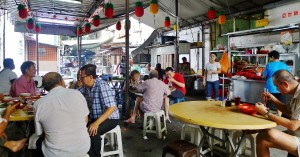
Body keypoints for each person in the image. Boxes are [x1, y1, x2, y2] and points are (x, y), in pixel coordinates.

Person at [33, 72, 90, 157]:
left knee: (34, 142)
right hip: (82, 148)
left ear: (45, 86)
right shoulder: (77, 94)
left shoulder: (38, 104)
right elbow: (85, 120)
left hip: (55, 153)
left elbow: (40, 133)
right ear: (61, 81)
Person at [255, 70, 300, 157]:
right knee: (261, 139)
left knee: (270, 133)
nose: (276, 89)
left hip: (297, 135)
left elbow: (293, 125)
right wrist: (272, 98)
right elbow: (289, 111)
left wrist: (266, 113)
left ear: (285, 84)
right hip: (295, 134)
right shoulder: (295, 92)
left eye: (277, 86)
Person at [78, 64, 119, 157]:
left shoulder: (101, 86)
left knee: (93, 132)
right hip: (96, 117)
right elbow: (75, 95)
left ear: (91, 77)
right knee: (81, 130)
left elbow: (112, 107)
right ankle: (91, 151)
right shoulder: (85, 87)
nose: (80, 79)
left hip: (110, 118)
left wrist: (96, 123)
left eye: (82, 77)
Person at [263, 50, 291, 116]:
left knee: (269, 103)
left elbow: (264, 76)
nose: (270, 59)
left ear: (272, 57)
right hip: (282, 87)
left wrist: (263, 77)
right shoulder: (285, 65)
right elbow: (289, 75)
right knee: (280, 103)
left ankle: (268, 117)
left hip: (270, 87)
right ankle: (279, 117)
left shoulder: (269, 65)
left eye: (270, 58)